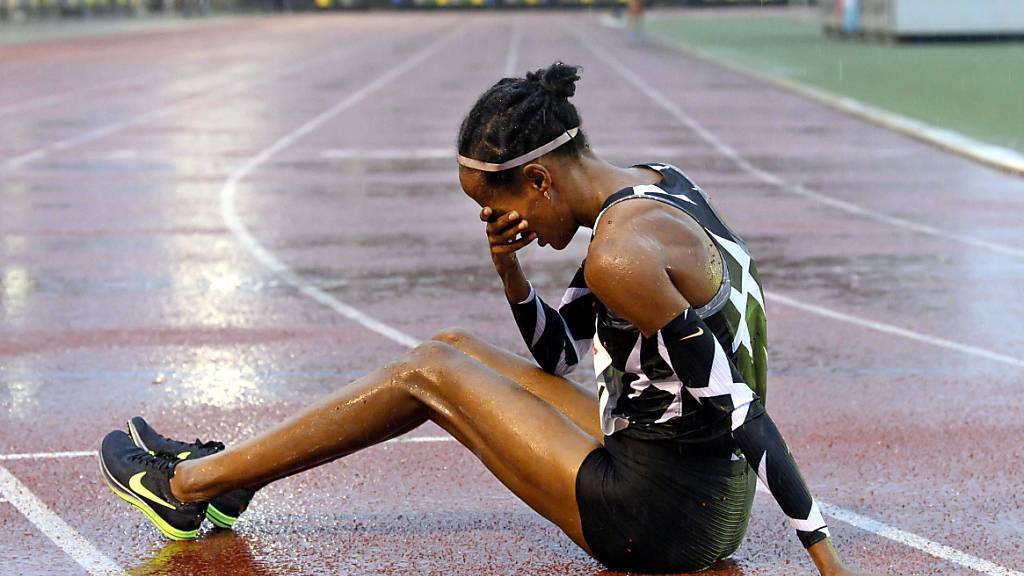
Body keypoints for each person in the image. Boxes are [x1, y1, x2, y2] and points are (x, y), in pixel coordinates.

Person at [98, 62, 875, 575]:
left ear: (537, 178)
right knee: (450, 348)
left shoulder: (618, 256)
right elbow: (559, 352)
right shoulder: (650, 191)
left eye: (495, 206)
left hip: (660, 518)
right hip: (686, 477)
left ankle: (190, 485)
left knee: (427, 374)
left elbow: (740, 405)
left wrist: (826, 558)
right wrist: (509, 269)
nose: (500, 223)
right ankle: (236, 485)